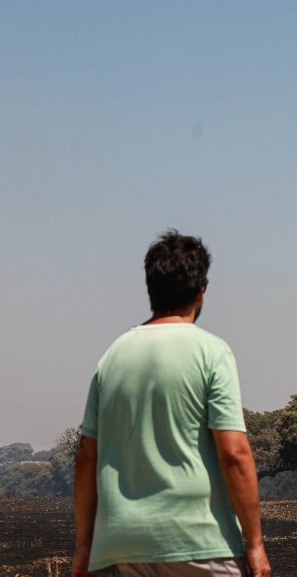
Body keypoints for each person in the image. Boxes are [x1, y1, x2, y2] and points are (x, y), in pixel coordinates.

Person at [72, 230, 270, 577]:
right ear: (201, 291)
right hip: (199, 541)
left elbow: (87, 456)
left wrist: (85, 546)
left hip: (122, 545)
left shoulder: (112, 357)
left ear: (151, 289)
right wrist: (255, 544)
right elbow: (234, 453)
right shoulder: (212, 352)